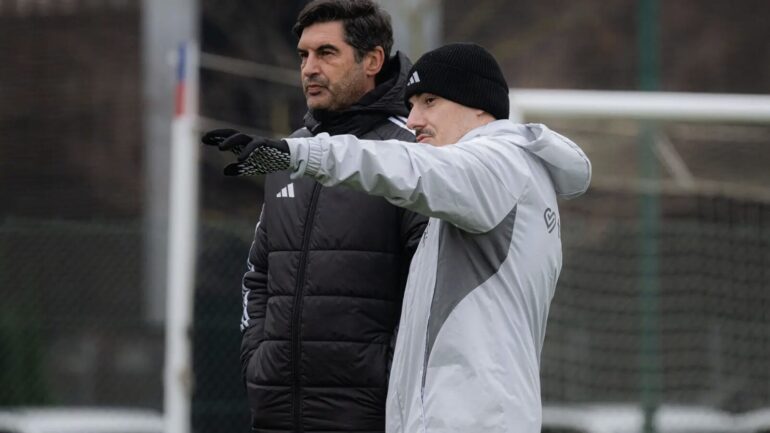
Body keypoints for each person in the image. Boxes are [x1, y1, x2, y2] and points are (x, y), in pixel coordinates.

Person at [205, 42, 591, 432]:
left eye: (429, 101)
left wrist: (303, 155)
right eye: (411, 104)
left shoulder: (499, 165)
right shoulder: (485, 187)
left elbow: (408, 166)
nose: (413, 120)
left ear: (479, 106)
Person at [202, 1, 427, 433]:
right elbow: (258, 274)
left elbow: (430, 286)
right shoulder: (286, 155)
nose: (309, 68)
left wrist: (389, 375)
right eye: (303, 55)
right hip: (277, 414)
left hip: (369, 416)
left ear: (373, 61)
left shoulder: (413, 157)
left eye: (326, 53)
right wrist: (259, 362)